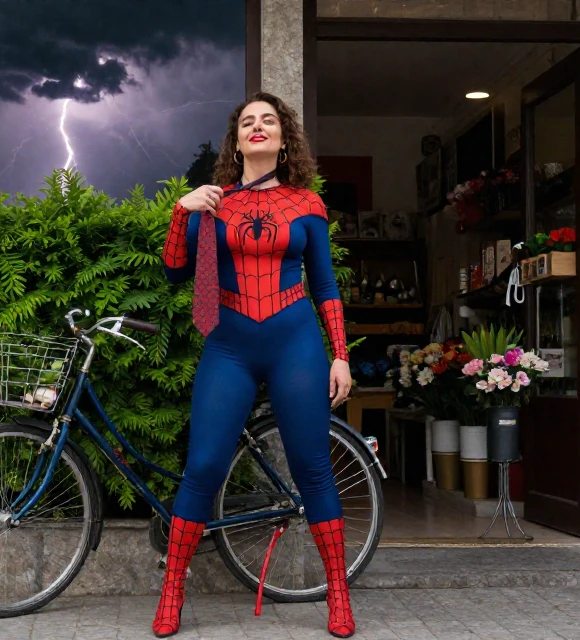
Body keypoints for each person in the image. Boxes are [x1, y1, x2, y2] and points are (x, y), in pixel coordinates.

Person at [154, 92, 354, 638]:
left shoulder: (308, 205)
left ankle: (338, 593)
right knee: (203, 467)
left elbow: (326, 285)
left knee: (312, 467)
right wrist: (181, 212)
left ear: (284, 139)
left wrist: (340, 354)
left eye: (269, 120)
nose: (259, 127)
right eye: (248, 122)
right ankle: (171, 591)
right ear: (237, 140)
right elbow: (175, 273)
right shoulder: (212, 203)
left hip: (296, 346)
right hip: (228, 347)